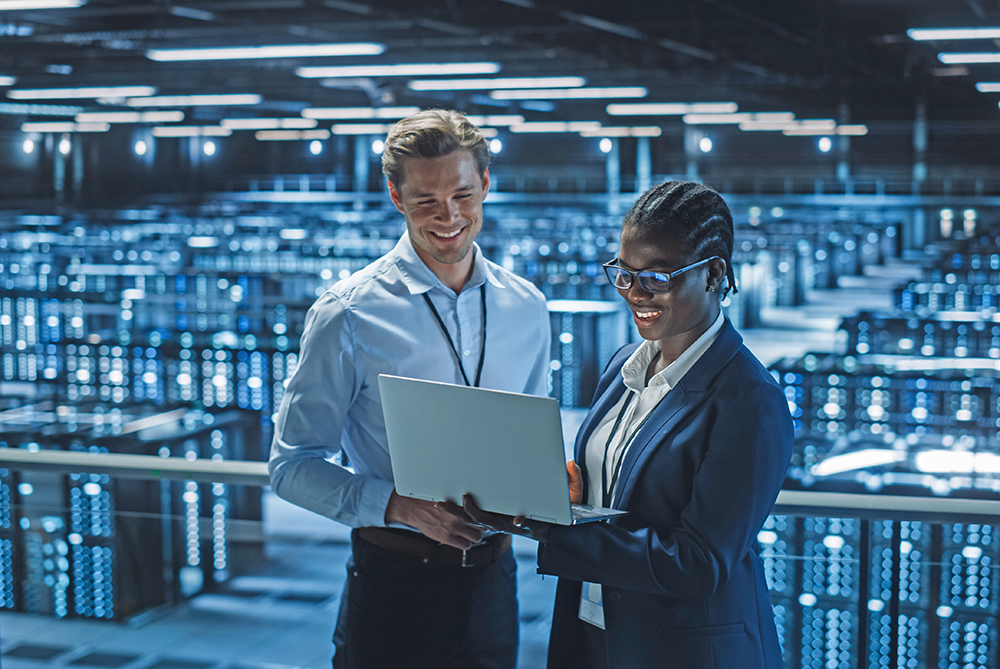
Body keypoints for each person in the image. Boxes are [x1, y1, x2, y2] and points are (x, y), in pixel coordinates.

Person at [463, 180, 792, 668]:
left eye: (657, 276)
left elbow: (698, 564)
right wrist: (557, 497)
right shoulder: (624, 368)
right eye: (624, 273)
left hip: (683, 651)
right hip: (597, 631)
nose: (635, 292)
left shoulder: (748, 401)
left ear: (713, 274)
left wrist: (552, 532)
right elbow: (620, 499)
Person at [268, 109, 552, 669]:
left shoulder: (527, 308)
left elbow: (527, 443)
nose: (448, 216)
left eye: (462, 195)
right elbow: (291, 466)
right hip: (393, 587)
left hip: (496, 583)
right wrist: (397, 506)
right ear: (397, 198)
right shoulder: (348, 314)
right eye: (425, 200)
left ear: (486, 186)